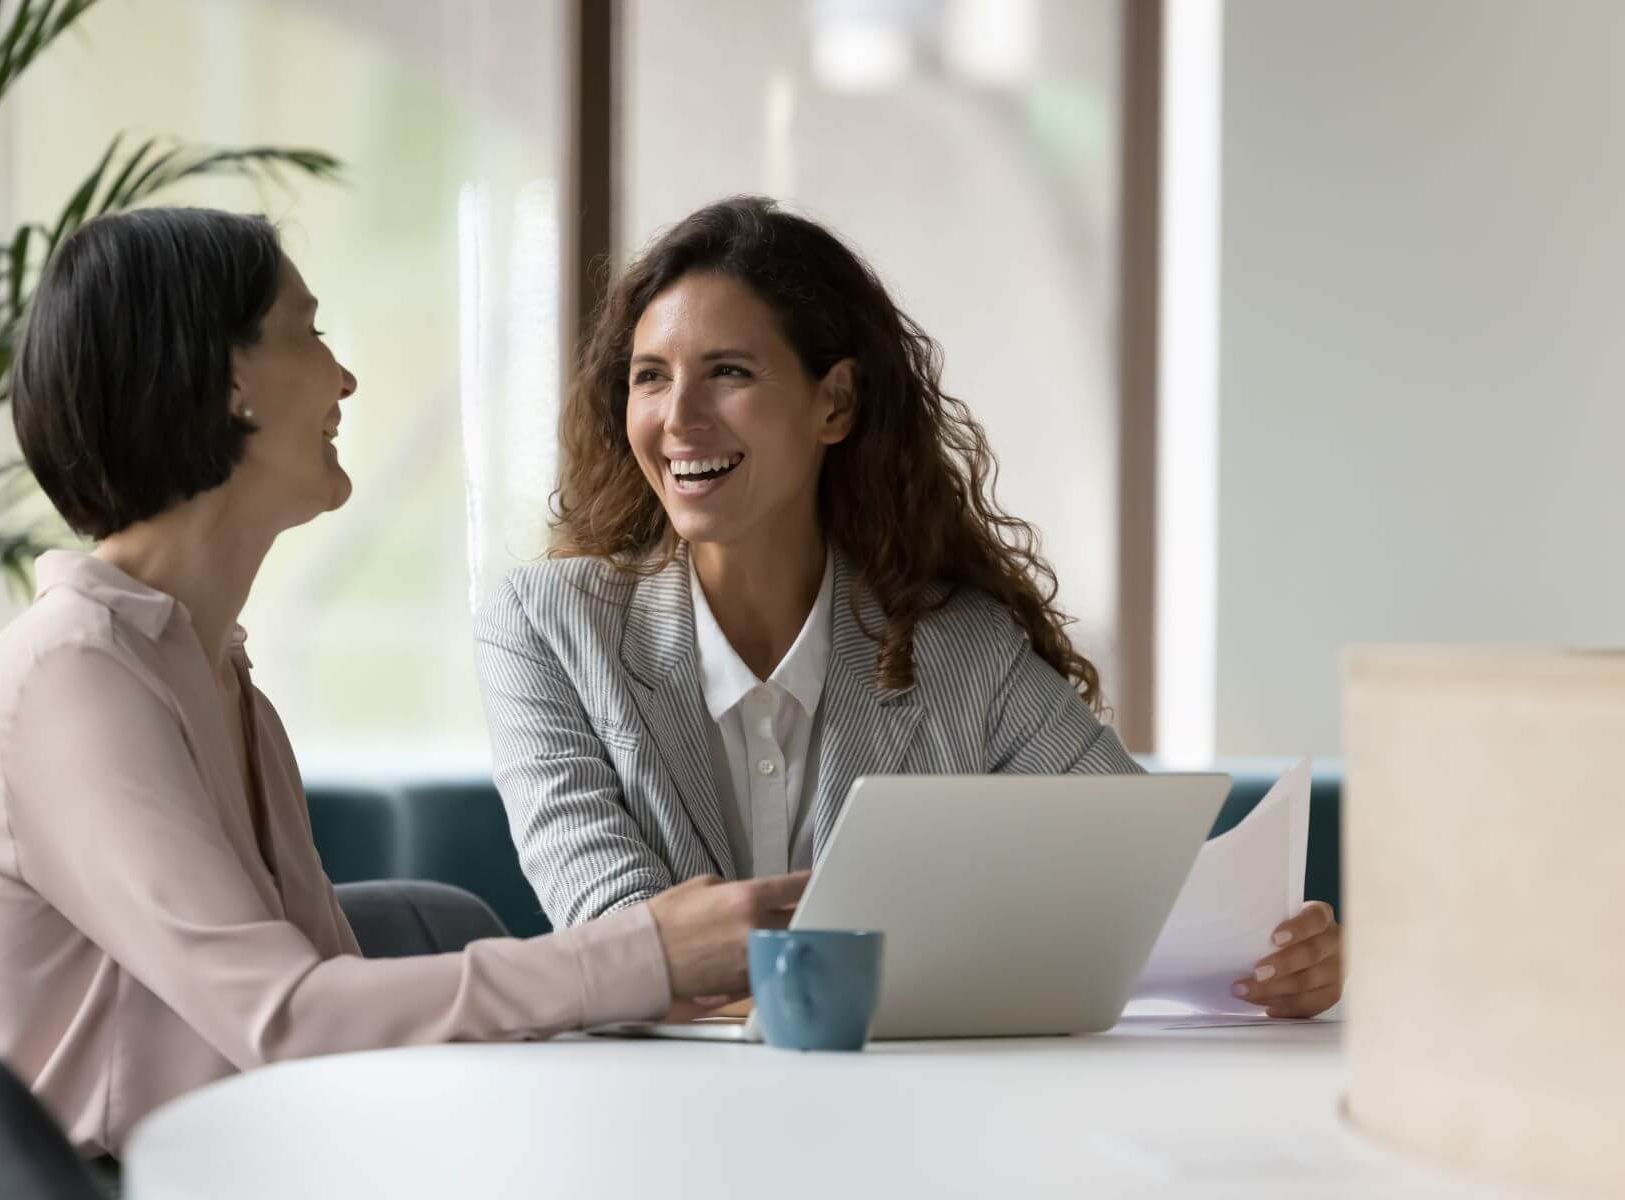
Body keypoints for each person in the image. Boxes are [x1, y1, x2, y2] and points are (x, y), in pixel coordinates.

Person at [0, 207, 806, 1161]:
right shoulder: (73, 676)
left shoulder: (219, 679)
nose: (343, 376)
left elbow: (335, 1028)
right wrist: (646, 953)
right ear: (232, 382)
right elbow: (289, 1018)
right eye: (307, 332)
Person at [476, 196, 1341, 1020]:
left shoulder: (960, 650)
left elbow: (1146, 887)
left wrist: (1276, 960)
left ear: (836, 404)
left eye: (728, 373)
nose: (678, 419)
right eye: (649, 378)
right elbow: (617, 937)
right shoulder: (546, 627)